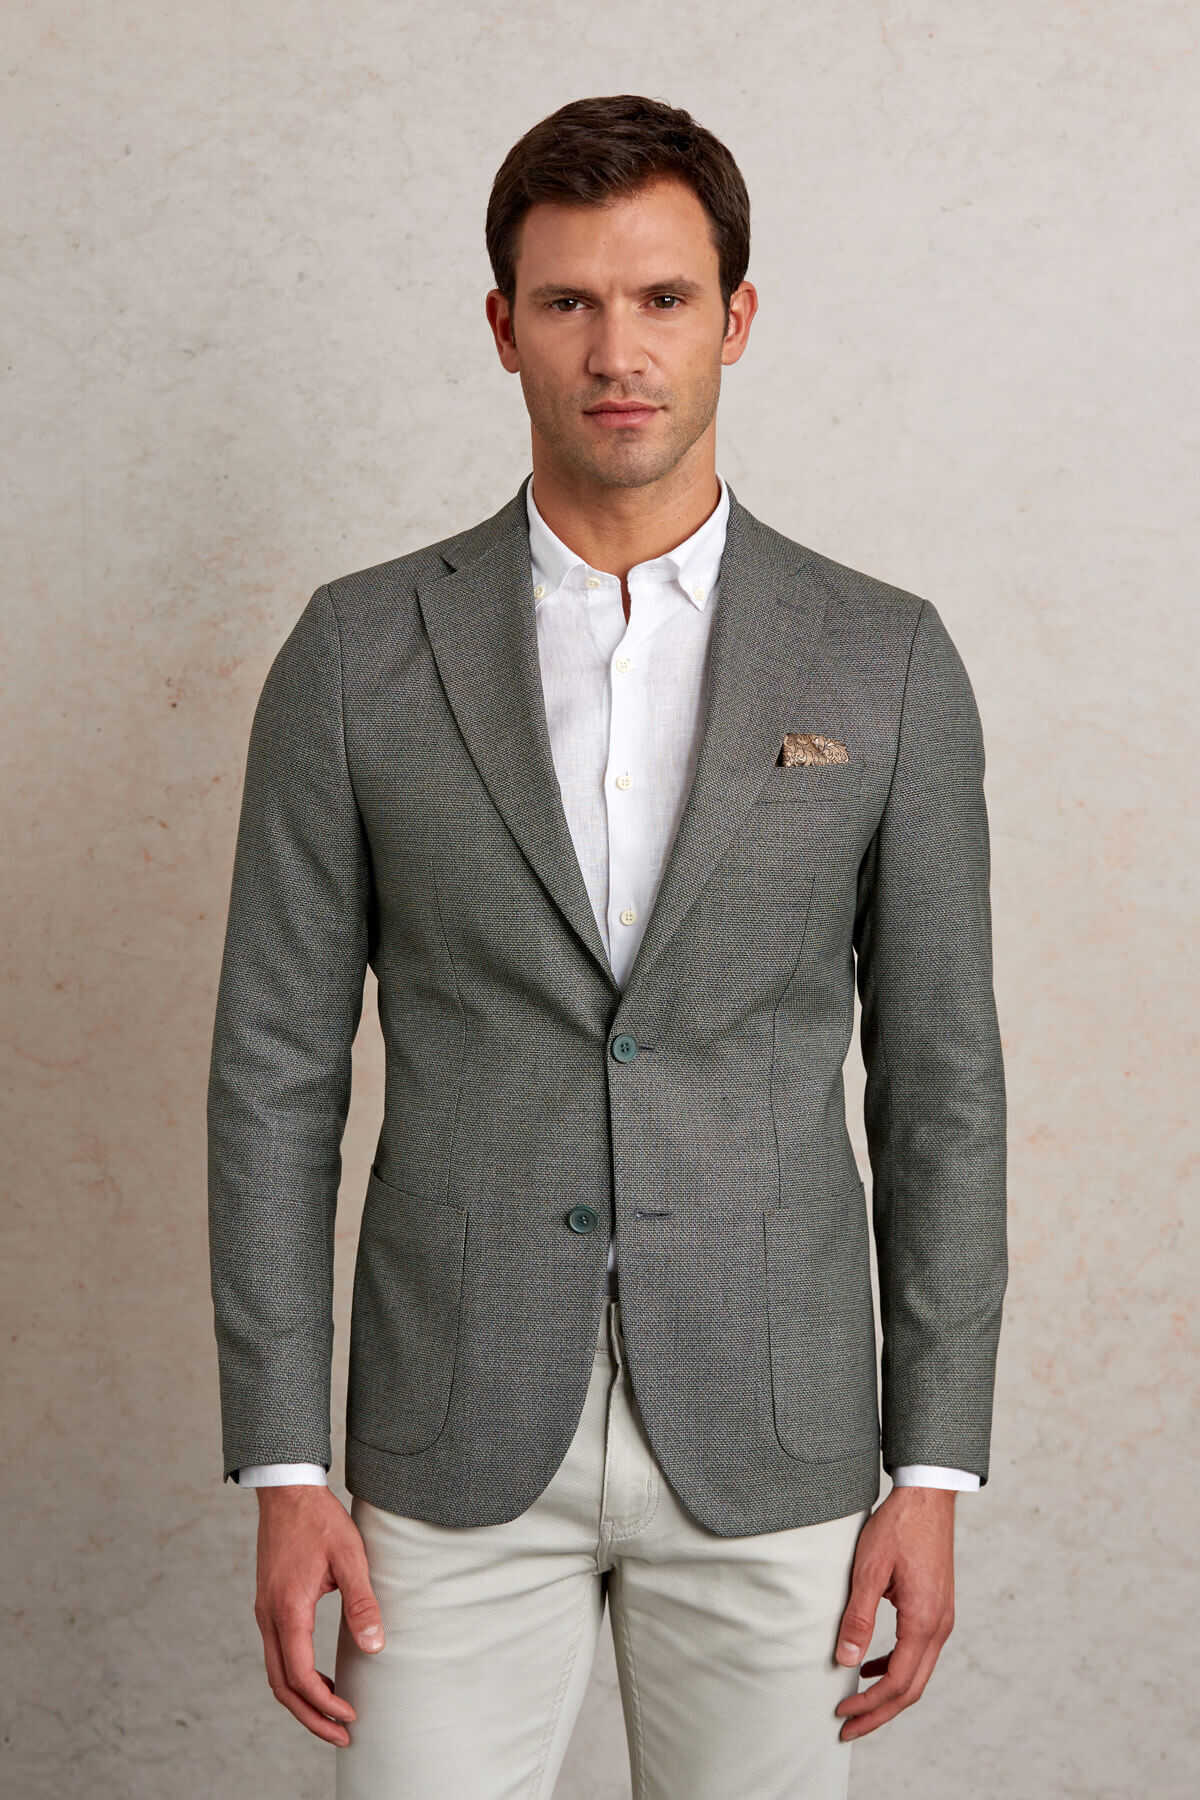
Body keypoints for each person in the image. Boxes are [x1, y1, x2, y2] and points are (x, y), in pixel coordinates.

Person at [207, 93, 1007, 1799]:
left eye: (661, 299)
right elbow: (272, 1075)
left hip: (779, 1438)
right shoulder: (358, 655)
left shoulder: (886, 660)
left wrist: (936, 1469)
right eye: (568, 301)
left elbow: (942, 1087)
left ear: (736, 318)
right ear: (504, 327)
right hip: (447, 1438)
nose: (617, 350)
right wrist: (283, 1463)